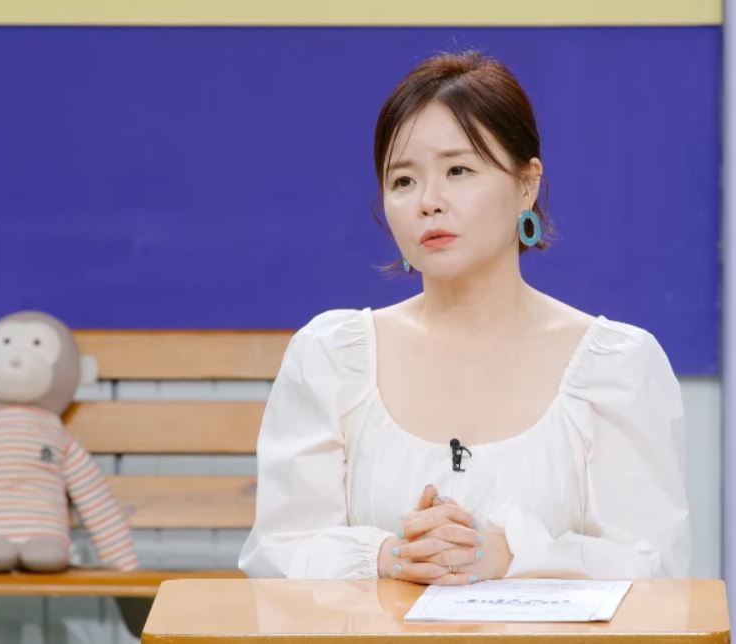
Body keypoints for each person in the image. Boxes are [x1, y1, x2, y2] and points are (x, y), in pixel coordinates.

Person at [239, 51, 689, 586]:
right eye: (403, 181)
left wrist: (514, 556)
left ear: (527, 185)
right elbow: (278, 551)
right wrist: (389, 556)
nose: (429, 202)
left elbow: (654, 570)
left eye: (458, 171)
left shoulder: (617, 368)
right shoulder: (331, 357)